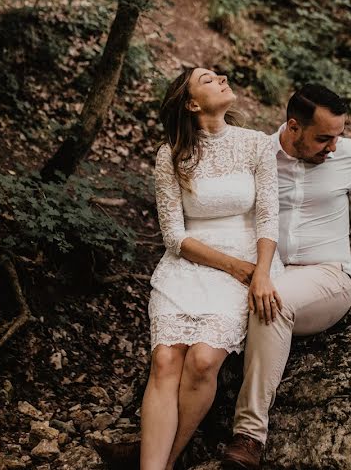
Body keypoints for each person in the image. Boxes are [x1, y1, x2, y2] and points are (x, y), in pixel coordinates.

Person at [221, 83, 351, 470]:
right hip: (266, 269)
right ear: (293, 127)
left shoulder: (349, 155)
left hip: (328, 276)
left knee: (273, 303)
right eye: (323, 138)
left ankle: (249, 435)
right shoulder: (259, 154)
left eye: (338, 135)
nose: (333, 146)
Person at [116, 66, 285, 470]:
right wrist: (234, 267)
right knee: (164, 360)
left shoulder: (257, 144)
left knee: (204, 360)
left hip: (249, 257)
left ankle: (166, 459)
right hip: (191, 262)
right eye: (209, 79)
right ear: (192, 104)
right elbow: (174, 235)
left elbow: (268, 216)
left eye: (220, 76)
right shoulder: (171, 155)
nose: (222, 79)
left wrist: (259, 271)